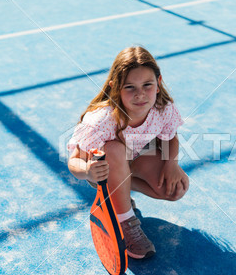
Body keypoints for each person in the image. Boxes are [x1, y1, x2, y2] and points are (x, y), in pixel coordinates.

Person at [67, 46, 189, 259]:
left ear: (158, 83)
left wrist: (171, 165)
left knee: (174, 189)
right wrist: (87, 171)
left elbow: (171, 138)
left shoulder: (163, 108)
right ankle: (126, 222)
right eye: (130, 87)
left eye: (147, 85)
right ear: (116, 87)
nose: (140, 94)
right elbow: (74, 161)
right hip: (103, 171)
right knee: (114, 148)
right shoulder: (102, 120)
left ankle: (120, 188)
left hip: (134, 159)